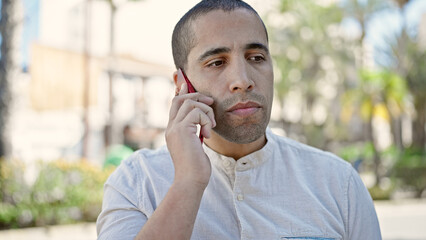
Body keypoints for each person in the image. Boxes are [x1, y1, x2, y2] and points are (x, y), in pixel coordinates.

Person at [96, 0, 382, 239]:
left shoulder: (338, 184)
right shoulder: (136, 183)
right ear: (181, 84)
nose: (242, 81)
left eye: (256, 58)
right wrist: (188, 182)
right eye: (217, 63)